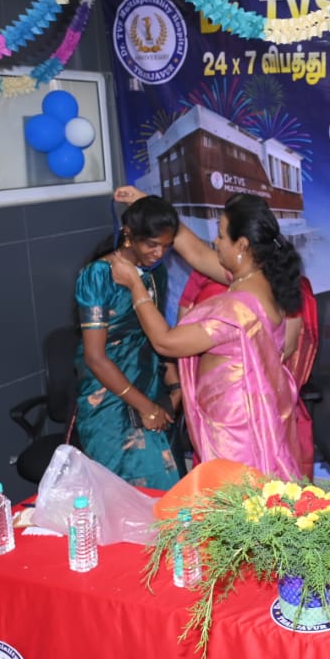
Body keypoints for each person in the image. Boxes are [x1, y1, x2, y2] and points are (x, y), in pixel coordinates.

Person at [117, 185, 320, 478]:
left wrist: (136, 285)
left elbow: (166, 343)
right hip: (246, 415)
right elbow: (197, 253)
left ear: (242, 245)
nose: (215, 241)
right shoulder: (263, 279)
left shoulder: (236, 311)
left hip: (236, 430)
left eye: (222, 235)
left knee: (233, 497)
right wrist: (151, 205)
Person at [75, 196, 182, 489]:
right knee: (128, 488)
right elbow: (95, 358)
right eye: (152, 244)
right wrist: (145, 408)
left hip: (152, 385)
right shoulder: (98, 275)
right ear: (128, 234)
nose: (159, 253)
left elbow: (157, 332)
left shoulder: (155, 272)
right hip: (109, 395)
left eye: (167, 246)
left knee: (170, 484)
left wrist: (175, 386)